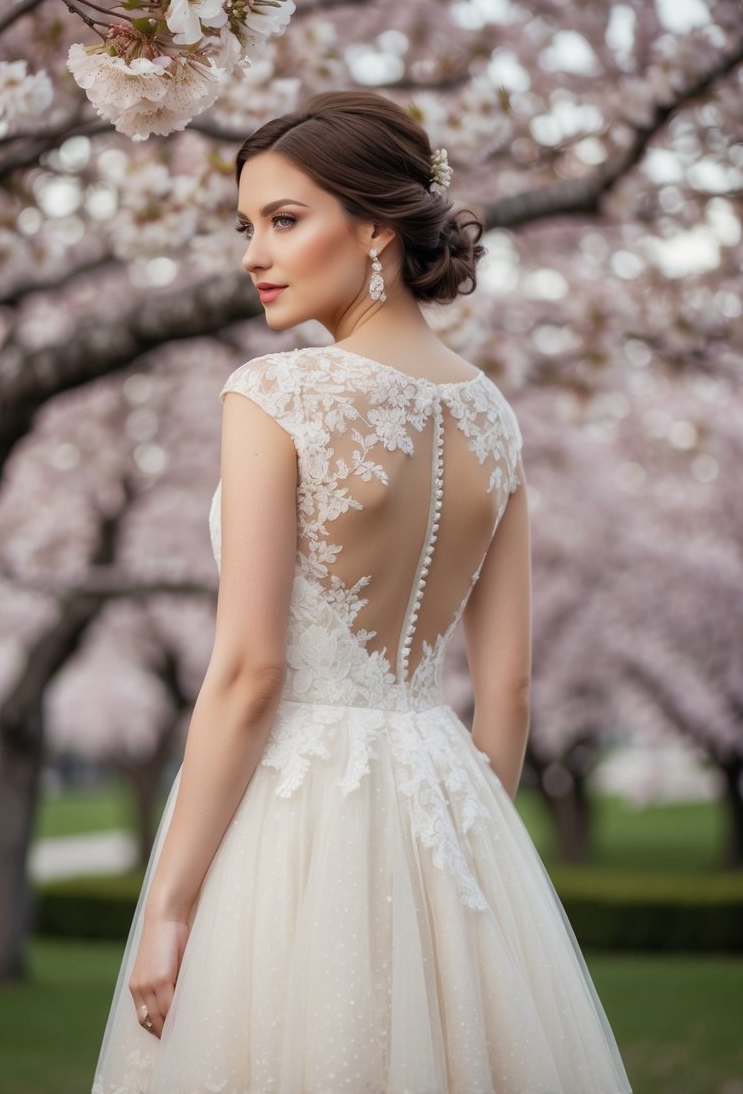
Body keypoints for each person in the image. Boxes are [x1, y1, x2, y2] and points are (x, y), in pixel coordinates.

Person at [92, 91, 632, 1094]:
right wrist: (461, 859)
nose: (254, 253)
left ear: (375, 224)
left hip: (291, 806)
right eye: (245, 226)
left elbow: (252, 670)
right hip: (447, 799)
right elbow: (506, 691)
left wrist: (169, 905)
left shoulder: (276, 394)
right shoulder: (494, 419)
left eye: (284, 220)